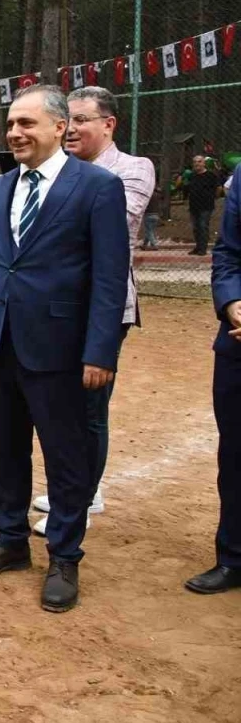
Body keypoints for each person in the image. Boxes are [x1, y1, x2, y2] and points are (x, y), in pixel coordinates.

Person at [0, 85, 128, 613]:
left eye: (26, 123)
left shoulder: (96, 187)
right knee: (5, 449)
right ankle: (10, 540)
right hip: (1, 342)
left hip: (62, 349)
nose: (15, 133)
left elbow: (109, 277)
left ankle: (65, 557)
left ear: (59, 127)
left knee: (66, 456)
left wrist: (100, 351)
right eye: (11, 124)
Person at [29, 87, 154, 536]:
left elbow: (112, 225)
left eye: (82, 119)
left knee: (90, 408)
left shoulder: (133, 169)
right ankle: (73, 489)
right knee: (56, 405)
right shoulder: (55, 169)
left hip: (103, 310)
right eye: (67, 119)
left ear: (108, 124)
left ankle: (81, 499)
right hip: (51, 307)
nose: (72, 128)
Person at [185, 168, 241, 594]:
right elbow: (228, 255)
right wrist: (232, 301)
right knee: (235, 456)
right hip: (238, 342)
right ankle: (233, 557)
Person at [187, 155, 222, 255]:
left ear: (204, 163)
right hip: (194, 205)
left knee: (203, 226)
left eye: (199, 161)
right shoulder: (192, 175)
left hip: (206, 206)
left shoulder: (211, 175)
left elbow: (219, 188)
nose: (197, 164)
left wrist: (213, 197)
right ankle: (198, 247)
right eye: (195, 162)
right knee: (195, 227)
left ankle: (203, 248)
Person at [141, 185, 162, 250]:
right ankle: (144, 245)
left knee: (149, 231)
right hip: (156, 214)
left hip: (148, 214)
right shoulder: (157, 195)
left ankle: (154, 244)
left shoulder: (147, 195)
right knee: (150, 230)